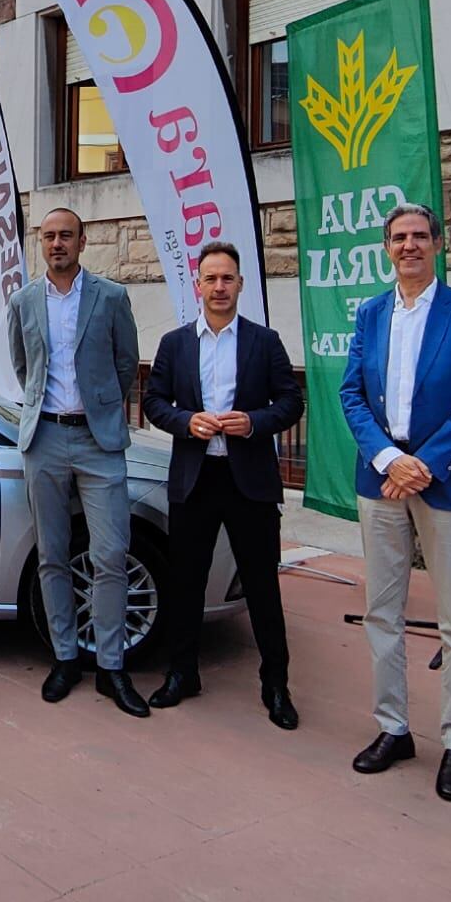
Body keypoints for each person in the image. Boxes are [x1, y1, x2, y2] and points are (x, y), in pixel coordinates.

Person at [340, 203, 451, 802]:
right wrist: (388, 459)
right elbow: (351, 392)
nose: (409, 246)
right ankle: (393, 728)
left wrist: (423, 466)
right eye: (398, 238)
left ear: (438, 243)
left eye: (419, 237)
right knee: (382, 612)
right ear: (386, 248)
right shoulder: (371, 313)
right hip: (381, 479)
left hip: (447, 481)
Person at [142, 241, 305, 723]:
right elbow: (154, 402)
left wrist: (253, 422)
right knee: (186, 582)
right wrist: (186, 421)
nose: (219, 287)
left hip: (248, 482)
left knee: (261, 587)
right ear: (198, 284)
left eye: (227, 278)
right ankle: (182, 673)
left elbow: (291, 402)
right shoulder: (175, 344)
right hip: (195, 479)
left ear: (240, 284)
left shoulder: (264, 341)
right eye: (210, 278)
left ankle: (276, 686)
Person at [7, 207, 147, 716]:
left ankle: (112, 667)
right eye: (49, 237)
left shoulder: (111, 297)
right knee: (52, 554)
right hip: (44, 438)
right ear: (40, 244)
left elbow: (126, 362)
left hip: (98, 441)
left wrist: (102, 408)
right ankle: (65, 657)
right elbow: (24, 367)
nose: (57, 243)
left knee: (111, 554)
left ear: (83, 241)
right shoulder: (23, 301)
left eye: (66, 235)